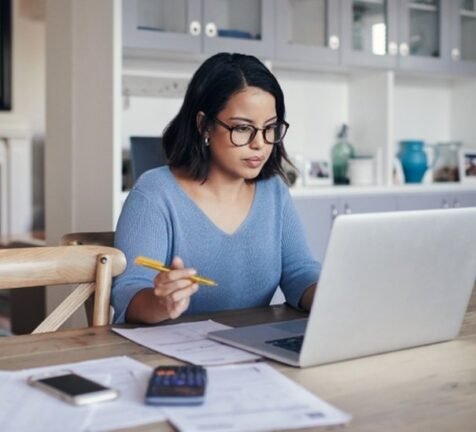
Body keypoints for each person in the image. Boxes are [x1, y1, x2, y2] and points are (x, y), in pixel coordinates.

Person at [112, 53, 320, 324]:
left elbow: (299, 272)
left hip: (252, 350)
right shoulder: (155, 193)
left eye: (270, 128)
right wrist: (159, 301)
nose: (260, 143)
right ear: (204, 125)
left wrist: (333, 296)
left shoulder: (274, 191)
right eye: (243, 128)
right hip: (172, 357)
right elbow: (128, 292)